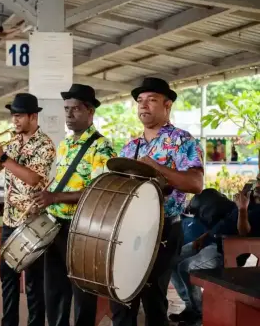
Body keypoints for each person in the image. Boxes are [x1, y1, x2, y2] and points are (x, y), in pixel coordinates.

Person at [109, 77, 204, 326]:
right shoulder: (131, 147)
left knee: (153, 300)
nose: (144, 106)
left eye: (151, 100)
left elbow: (196, 184)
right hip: (129, 231)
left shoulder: (183, 141)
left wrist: (157, 167)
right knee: (122, 296)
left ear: (167, 104)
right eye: (140, 101)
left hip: (164, 230)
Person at [33, 84, 116, 326]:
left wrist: (55, 198)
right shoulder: (65, 145)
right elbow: (62, 181)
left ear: (90, 111)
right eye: (66, 109)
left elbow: (99, 191)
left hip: (81, 228)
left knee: (82, 293)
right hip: (55, 226)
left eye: (75, 109)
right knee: (55, 291)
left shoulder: (102, 146)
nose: (69, 114)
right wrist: (45, 197)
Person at [0, 93, 56, 326]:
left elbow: (34, 178)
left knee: (34, 283)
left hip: (32, 222)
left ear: (33, 116)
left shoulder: (45, 144)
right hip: (9, 219)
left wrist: (2, 156)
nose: (14, 120)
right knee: (8, 278)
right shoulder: (12, 141)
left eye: (19, 116)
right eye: (13, 115)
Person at [171, 180, 260, 325]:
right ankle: (191, 307)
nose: (257, 185)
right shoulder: (249, 200)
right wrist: (204, 236)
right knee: (172, 259)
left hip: (225, 250)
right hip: (212, 240)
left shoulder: (254, 210)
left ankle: (198, 313)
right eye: (257, 180)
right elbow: (225, 222)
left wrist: (242, 209)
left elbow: (243, 233)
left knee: (185, 267)